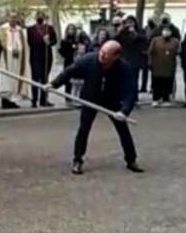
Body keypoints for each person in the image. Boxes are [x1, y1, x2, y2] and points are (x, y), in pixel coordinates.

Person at [48, 40, 143, 175]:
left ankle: (131, 160)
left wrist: (124, 111)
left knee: (123, 129)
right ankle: (77, 160)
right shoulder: (89, 60)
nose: (102, 56)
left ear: (115, 57)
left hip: (112, 100)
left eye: (106, 55)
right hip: (90, 98)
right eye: (101, 52)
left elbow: (131, 91)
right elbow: (69, 72)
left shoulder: (123, 68)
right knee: (84, 129)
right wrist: (53, 84)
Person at [0, 13, 30, 109]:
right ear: (8, 18)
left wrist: (19, 50)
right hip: (6, 59)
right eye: (11, 17)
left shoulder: (20, 30)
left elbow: (24, 45)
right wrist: (11, 50)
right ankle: (5, 101)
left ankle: (13, 100)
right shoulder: (2, 29)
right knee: (6, 79)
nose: (13, 19)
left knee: (15, 79)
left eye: (15, 17)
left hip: (18, 60)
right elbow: (1, 43)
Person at [26, 11, 57, 108]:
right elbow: (29, 42)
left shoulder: (49, 28)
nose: (40, 18)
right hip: (35, 56)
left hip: (46, 55)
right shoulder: (30, 30)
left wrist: (49, 42)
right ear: (35, 18)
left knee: (45, 78)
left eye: (41, 16)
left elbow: (55, 41)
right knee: (35, 78)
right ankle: (34, 100)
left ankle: (44, 99)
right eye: (38, 16)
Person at [147, 26, 180, 106]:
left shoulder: (175, 41)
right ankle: (155, 99)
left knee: (167, 82)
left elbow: (178, 52)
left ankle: (166, 99)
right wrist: (150, 62)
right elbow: (150, 51)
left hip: (169, 65)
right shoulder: (155, 40)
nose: (166, 32)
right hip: (157, 65)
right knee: (156, 82)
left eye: (168, 31)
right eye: (165, 31)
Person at [114, 15, 147, 92]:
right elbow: (115, 39)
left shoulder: (139, 31)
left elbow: (143, 38)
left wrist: (134, 32)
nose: (130, 24)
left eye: (132, 22)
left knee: (134, 79)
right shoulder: (123, 32)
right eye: (128, 22)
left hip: (135, 59)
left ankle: (134, 96)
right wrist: (119, 31)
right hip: (125, 58)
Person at [58, 23, 83, 98]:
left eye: (73, 29)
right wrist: (67, 55)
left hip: (76, 60)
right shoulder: (64, 40)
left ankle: (76, 95)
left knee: (77, 80)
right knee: (67, 78)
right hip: (68, 61)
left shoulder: (77, 40)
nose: (71, 31)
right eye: (70, 29)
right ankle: (67, 96)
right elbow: (61, 51)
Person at [140, 18, 157, 92]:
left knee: (153, 71)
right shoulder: (145, 29)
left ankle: (153, 87)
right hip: (145, 52)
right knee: (144, 71)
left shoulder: (156, 30)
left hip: (153, 53)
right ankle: (143, 87)